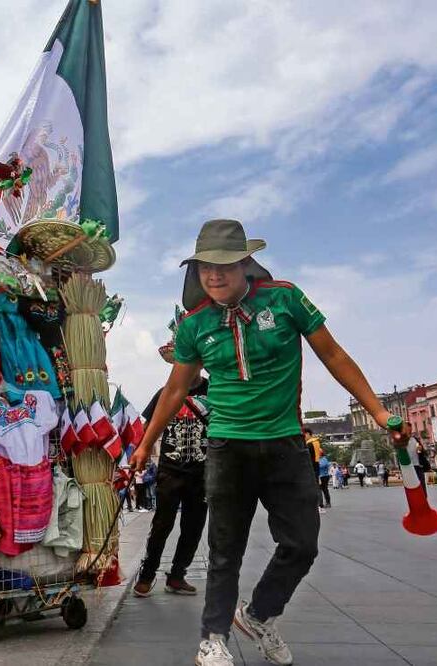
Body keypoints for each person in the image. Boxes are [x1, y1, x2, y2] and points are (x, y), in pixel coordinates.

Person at [128, 219, 410, 666]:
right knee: (225, 549)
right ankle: (213, 637)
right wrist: (145, 443)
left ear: (246, 263)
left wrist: (379, 412)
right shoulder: (194, 325)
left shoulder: (284, 298)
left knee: (302, 544)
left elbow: (333, 355)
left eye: (224, 266)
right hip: (226, 448)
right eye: (204, 268)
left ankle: (259, 615)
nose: (214, 276)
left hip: (285, 445)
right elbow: (176, 389)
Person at [133, 347, 210, 599]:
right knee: (161, 525)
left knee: (193, 527)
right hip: (170, 471)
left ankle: (177, 576)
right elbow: (148, 426)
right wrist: (141, 452)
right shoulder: (166, 392)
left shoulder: (215, 390)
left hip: (203, 473)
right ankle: (147, 575)